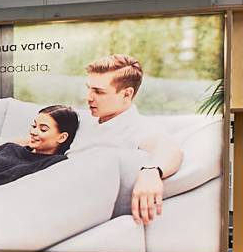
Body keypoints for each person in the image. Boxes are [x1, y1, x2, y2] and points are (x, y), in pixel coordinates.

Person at [78, 52, 182, 226]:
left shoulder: (137, 127)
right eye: (89, 88)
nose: (88, 97)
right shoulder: (86, 120)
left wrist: (151, 172)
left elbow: (168, 147)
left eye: (98, 92)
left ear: (127, 94)